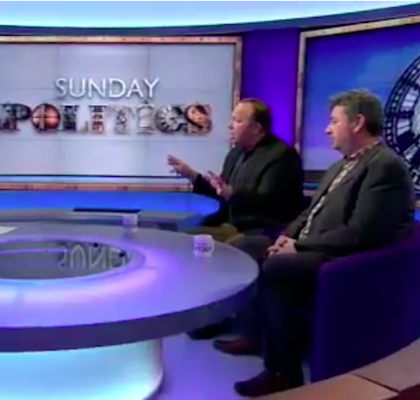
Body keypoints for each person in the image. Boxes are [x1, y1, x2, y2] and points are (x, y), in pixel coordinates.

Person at [233, 89, 416, 397]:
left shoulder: (385, 166)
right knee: (246, 247)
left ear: (358, 123)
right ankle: (255, 335)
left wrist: (299, 248)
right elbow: (309, 213)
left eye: (334, 121)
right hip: (316, 246)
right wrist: (286, 237)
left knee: (278, 268)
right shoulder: (340, 166)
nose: (327, 129)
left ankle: (283, 372)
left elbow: (360, 233)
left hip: (346, 259)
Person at [168, 98, 305, 340]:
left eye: (237, 120)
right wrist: (193, 176)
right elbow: (221, 193)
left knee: (235, 248)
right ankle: (209, 317)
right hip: (233, 224)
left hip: (267, 229)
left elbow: (272, 201)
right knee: (188, 242)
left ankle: (248, 332)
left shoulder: (282, 157)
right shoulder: (235, 154)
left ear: (257, 128)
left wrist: (233, 194)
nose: (230, 125)